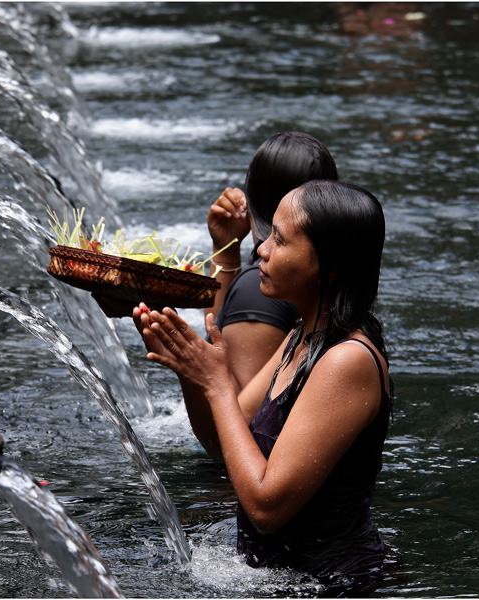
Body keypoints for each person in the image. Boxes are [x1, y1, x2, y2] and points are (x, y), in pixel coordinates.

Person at [133, 180, 393, 594]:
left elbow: (266, 508)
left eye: (281, 239)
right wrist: (189, 369)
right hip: (277, 577)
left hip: (331, 585)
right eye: (269, 233)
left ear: (328, 267)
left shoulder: (347, 361)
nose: (261, 250)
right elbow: (224, 446)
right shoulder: (300, 337)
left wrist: (217, 385)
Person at [205, 131, 338, 389]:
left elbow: (241, 417)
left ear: (250, 195)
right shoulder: (328, 268)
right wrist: (225, 248)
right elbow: (217, 332)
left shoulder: (259, 286)